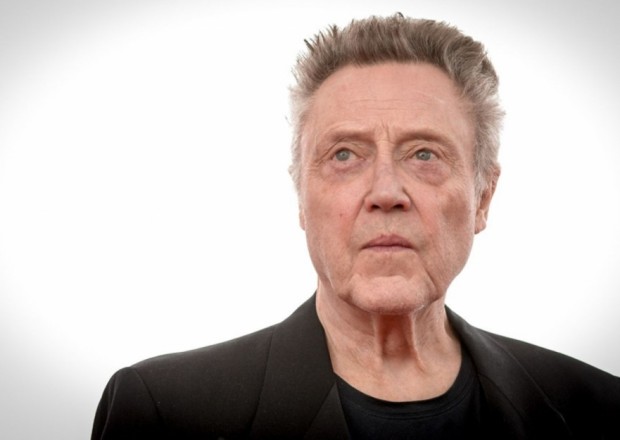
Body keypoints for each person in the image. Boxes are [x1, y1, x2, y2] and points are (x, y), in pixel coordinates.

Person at [91, 13, 620, 439]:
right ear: (302, 198)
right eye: (344, 154)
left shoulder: (599, 409)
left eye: (424, 154)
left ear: (483, 197)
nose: (386, 193)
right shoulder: (167, 413)